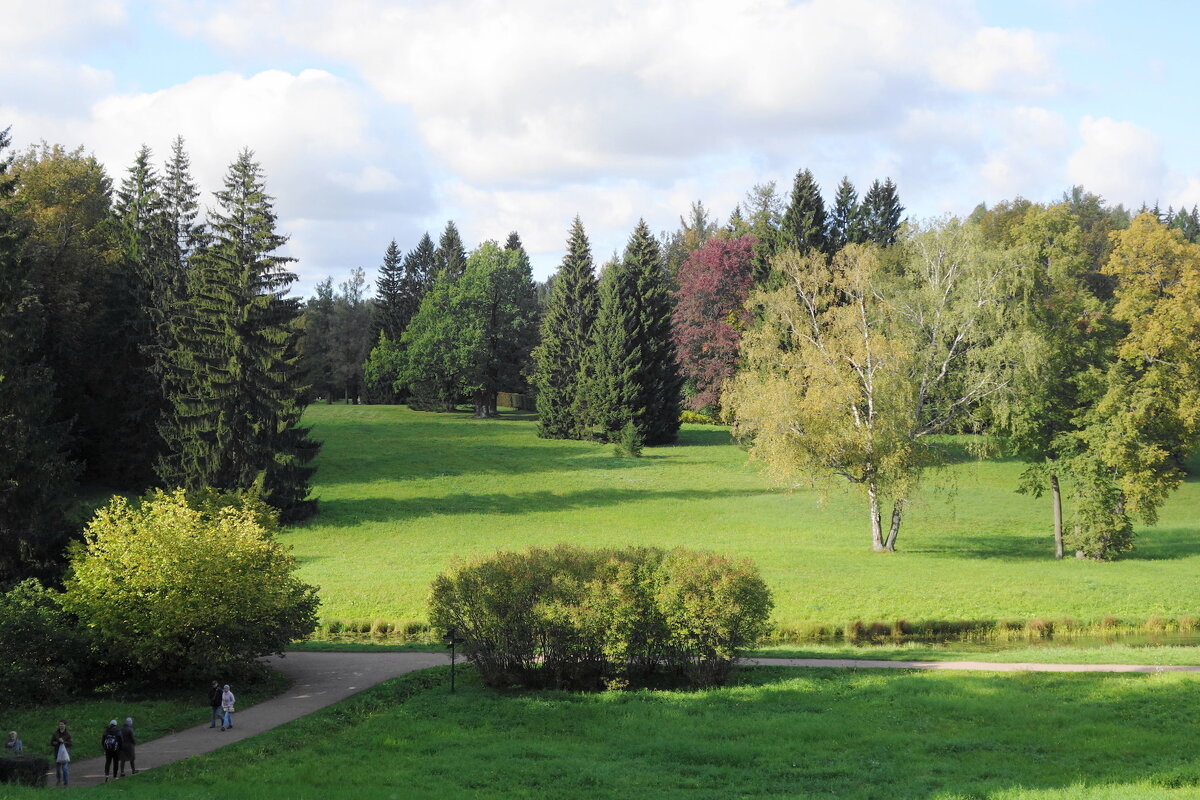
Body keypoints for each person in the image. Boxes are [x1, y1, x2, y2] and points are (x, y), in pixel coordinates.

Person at [50, 720, 71, 786]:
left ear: (65, 725)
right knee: (58, 769)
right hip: (57, 752)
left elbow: (70, 744)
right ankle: (58, 780)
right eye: (60, 724)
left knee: (65, 769)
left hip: (64, 753)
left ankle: (66, 783)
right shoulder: (55, 733)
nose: (61, 725)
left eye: (62, 724)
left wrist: (63, 742)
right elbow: (52, 742)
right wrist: (57, 742)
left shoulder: (68, 734)